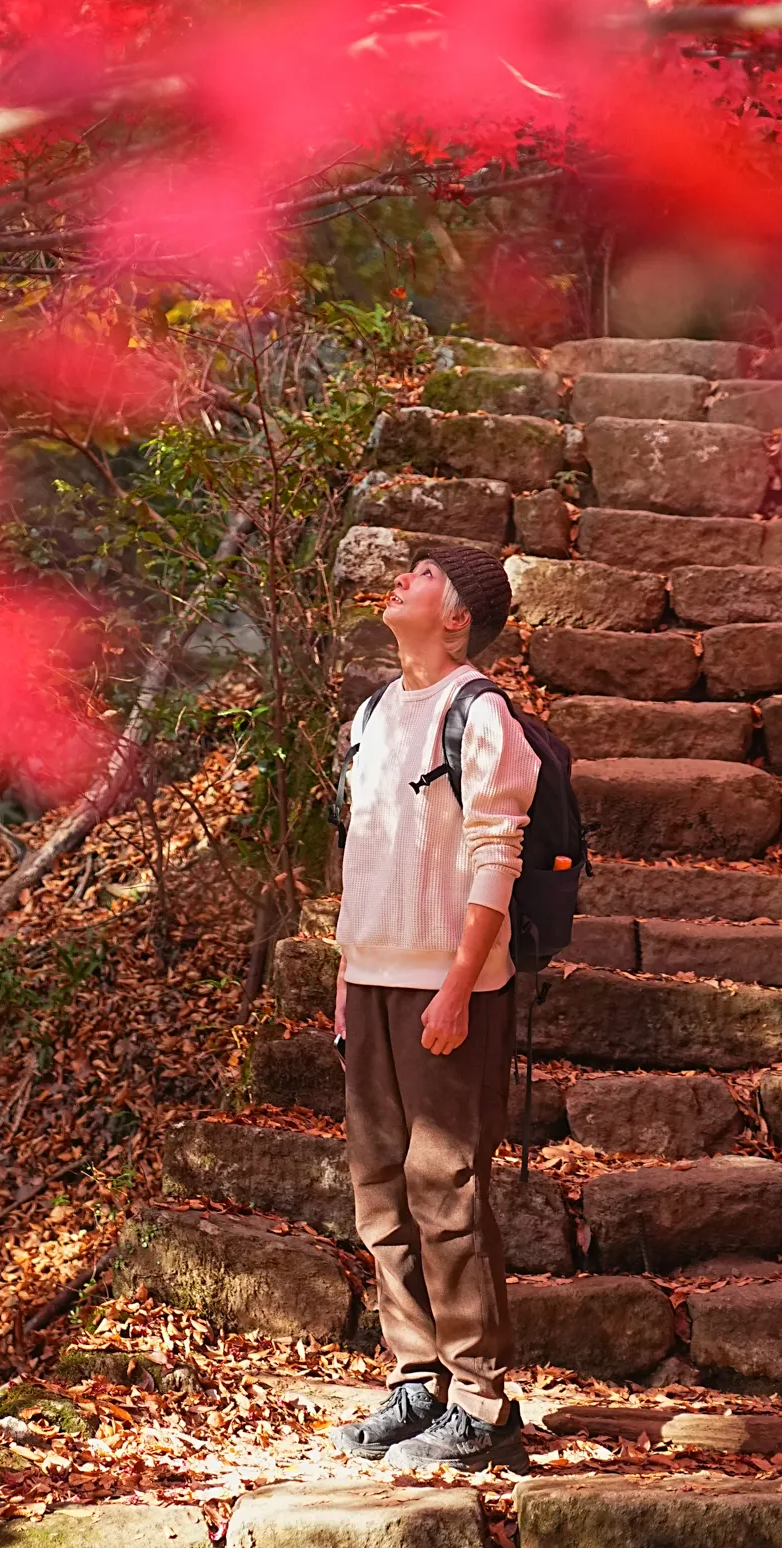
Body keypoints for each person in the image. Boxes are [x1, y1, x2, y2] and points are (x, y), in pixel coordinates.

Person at [332, 541, 536, 1473]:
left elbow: (498, 852)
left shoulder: (481, 714)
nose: (400, 579)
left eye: (421, 575)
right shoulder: (374, 712)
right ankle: (415, 1382)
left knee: (445, 1188)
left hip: (448, 984)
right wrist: (345, 975)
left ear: (457, 617)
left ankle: (483, 1403)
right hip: (370, 976)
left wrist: (460, 980)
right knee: (379, 1187)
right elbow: (361, 853)